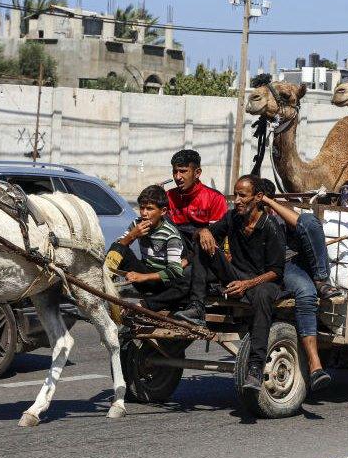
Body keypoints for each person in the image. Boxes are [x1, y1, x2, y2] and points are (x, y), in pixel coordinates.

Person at [185, 174, 284, 390]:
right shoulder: (232, 218)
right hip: (235, 277)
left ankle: (256, 367)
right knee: (204, 245)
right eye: (235, 195)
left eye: (242, 196)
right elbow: (206, 235)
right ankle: (196, 308)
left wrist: (247, 284)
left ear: (258, 197)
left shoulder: (271, 226)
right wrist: (203, 232)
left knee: (263, 295)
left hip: (262, 282)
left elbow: (276, 271)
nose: (236, 200)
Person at [256, 179, 341, 391]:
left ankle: (321, 278)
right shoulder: (244, 216)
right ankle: (315, 365)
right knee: (306, 293)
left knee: (310, 221)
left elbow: (303, 224)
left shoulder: (281, 212)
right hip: (281, 267)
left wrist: (270, 202)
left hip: (301, 261)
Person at [166, 149, 229, 323]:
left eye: (183, 171)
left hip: (205, 261)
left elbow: (215, 244)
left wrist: (187, 259)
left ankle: (197, 307)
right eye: (175, 172)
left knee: (184, 274)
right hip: (177, 258)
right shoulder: (168, 197)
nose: (178, 176)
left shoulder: (215, 199)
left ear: (197, 173)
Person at [106, 185, 189, 311]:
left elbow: (175, 270)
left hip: (162, 282)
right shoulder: (136, 224)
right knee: (118, 246)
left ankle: (144, 305)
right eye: (142, 208)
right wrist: (132, 235)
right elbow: (118, 247)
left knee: (184, 285)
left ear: (163, 211)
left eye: (149, 209)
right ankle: (104, 282)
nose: (144, 213)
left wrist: (143, 277)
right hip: (142, 277)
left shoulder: (170, 234)